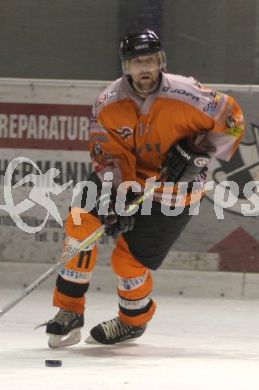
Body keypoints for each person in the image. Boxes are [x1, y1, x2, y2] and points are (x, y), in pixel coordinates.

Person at [45, 29, 245, 348]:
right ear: (126, 66)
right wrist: (115, 195)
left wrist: (199, 149)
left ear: (161, 61)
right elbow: (105, 152)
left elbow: (233, 119)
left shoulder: (188, 94)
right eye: (137, 62)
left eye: (151, 60)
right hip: (125, 178)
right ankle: (69, 311)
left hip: (175, 190)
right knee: (80, 225)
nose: (145, 68)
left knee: (128, 262)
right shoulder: (108, 103)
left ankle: (132, 322)